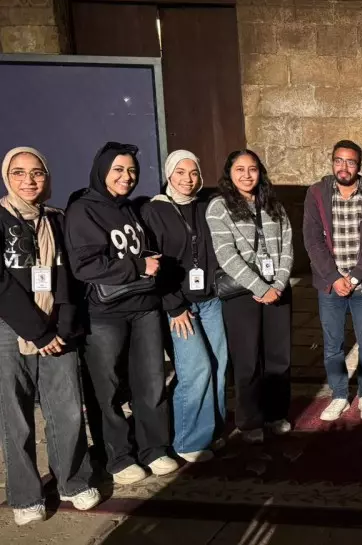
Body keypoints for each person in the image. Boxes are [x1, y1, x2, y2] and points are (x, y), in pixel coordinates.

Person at [65, 141, 178, 484]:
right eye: (118, 169)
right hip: (105, 314)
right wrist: (138, 266)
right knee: (108, 390)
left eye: (131, 170)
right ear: (102, 171)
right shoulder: (83, 210)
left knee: (151, 382)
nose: (126, 176)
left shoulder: (129, 209)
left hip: (144, 308)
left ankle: (153, 448)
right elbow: (85, 266)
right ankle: (118, 457)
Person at [0, 147, 100, 525]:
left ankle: (73, 481)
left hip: (58, 327)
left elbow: (69, 278)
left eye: (37, 172)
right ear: (7, 177)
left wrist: (62, 326)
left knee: (67, 408)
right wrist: (37, 332)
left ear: (47, 178)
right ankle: (26, 496)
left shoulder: (56, 219)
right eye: (19, 173)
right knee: (15, 415)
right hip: (10, 328)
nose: (29, 180)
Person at [141, 150, 228, 462]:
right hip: (179, 305)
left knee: (218, 366)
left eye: (193, 173)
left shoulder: (207, 205)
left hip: (210, 299)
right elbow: (154, 263)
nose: (187, 179)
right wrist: (174, 306)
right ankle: (188, 441)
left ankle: (213, 431)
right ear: (168, 174)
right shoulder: (154, 210)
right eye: (180, 172)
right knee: (195, 368)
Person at [206, 149, 293, 442]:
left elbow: (287, 245)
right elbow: (226, 254)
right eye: (240, 169)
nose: (246, 175)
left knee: (278, 357)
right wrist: (260, 287)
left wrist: (278, 284)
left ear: (260, 172)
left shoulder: (273, 204)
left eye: (252, 169)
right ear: (229, 174)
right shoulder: (219, 207)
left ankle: (276, 413)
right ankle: (250, 420)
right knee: (248, 359)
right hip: (243, 293)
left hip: (277, 290)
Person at [303, 140, 362, 421]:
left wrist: (355, 276)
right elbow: (312, 240)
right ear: (332, 162)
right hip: (330, 284)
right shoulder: (316, 193)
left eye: (350, 162)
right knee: (332, 344)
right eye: (339, 160)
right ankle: (339, 395)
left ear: (358, 165)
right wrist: (334, 277)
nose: (344, 167)